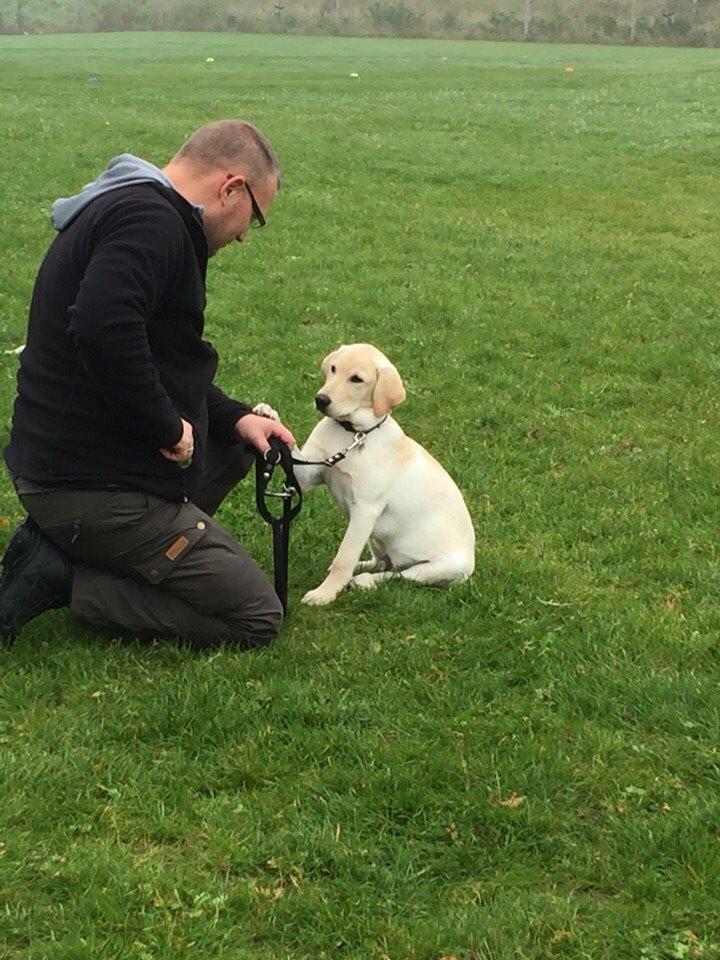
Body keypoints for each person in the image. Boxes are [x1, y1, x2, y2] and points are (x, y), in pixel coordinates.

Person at [0, 119, 296, 649]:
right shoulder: (151, 224)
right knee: (256, 616)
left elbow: (157, 359)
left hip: (66, 463)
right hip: (82, 482)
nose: (247, 233)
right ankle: (67, 576)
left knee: (233, 441)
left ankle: (77, 547)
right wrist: (164, 425)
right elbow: (102, 326)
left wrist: (233, 416)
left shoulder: (134, 207)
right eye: (254, 216)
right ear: (231, 188)